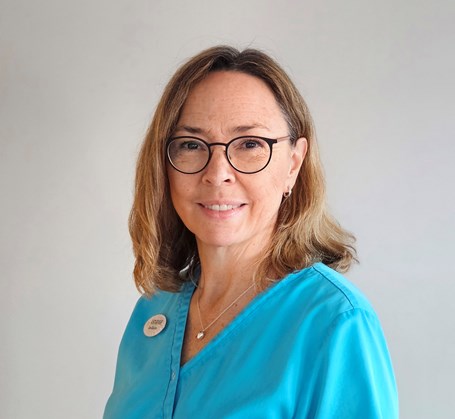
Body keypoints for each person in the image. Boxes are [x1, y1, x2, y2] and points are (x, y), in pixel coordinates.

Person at [104, 46, 398, 418]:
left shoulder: (334, 322)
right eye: (191, 145)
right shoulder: (153, 311)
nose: (217, 174)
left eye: (249, 144)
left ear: (293, 164)